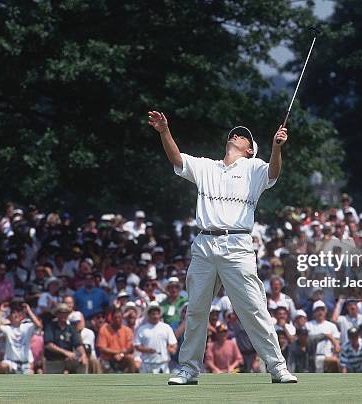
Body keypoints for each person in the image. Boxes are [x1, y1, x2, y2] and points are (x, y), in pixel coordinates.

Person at [148, 110, 297, 384]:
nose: (236, 135)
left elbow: (274, 173)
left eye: (243, 136)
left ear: (250, 149)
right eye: (234, 134)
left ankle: (277, 367)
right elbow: (177, 159)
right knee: (196, 309)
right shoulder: (207, 166)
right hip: (204, 244)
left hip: (237, 245)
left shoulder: (254, 168)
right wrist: (164, 132)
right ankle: (189, 369)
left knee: (253, 308)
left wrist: (277, 147)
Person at [0, 302, 42, 374]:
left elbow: (39, 326)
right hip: (10, 362)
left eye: (19, 312)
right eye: (14, 313)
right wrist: (1, 311)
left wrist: (29, 311)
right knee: (2, 366)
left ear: (22, 316)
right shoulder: (7, 328)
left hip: (25, 363)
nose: (16, 314)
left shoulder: (28, 327)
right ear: (10, 317)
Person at [43, 303, 87, 374]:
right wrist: (65, 352)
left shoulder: (71, 328)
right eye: (61, 313)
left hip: (68, 360)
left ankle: (82, 383)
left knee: (82, 363)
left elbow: (78, 344)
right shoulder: (50, 327)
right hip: (53, 360)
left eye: (65, 313)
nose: (64, 315)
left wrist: (83, 354)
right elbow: (48, 345)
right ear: (57, 314)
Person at [135, 302, 177, 374]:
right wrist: (146, 349)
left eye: (157, 314)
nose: (155, 316)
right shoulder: (142, 329)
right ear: (149, 315)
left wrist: (172, 349)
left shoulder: (166, 327)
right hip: (146, 364)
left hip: (163, 364)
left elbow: (173, 343)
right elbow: (137, 346)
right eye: (153, 314)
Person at [97, 307, 135, 373]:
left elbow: (130, 348)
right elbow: (102, 348)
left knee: (130, 359)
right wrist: (118, 352)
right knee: (100, 364)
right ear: (111, 318)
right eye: (115, 317)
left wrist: (121, 354)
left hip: (123, 358)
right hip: (108, 358)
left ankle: (131, 381)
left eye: (120, 317)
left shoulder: (127, 330)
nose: (117, 319)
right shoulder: (104, 329)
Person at [305, 300, 340, 373]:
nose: (320, 312)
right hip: (313, 357)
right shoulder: (308, 325)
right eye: (317, 310)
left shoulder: (332, 326)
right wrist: (326, 336)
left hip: (328, 357)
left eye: (322, 309)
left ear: (325, 311)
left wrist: (335, 354)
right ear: (314, 313)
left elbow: (337, 344)